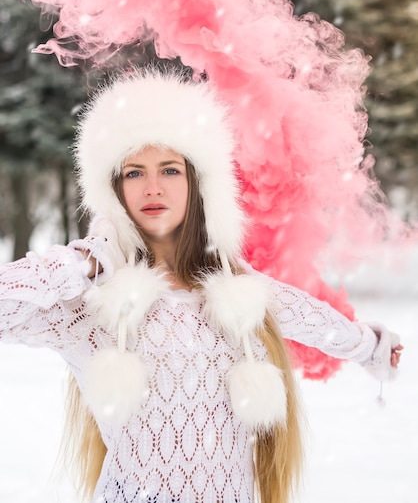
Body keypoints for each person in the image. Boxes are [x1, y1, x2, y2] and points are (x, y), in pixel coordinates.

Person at [0, 69, 403, 503]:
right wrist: (88, 260)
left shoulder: (234, 290)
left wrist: (370, 346)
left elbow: (312, 319)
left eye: (170, 170)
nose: (152, 187)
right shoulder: (89, 303)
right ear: (113, 189)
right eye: (134, 173)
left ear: (198, 183)